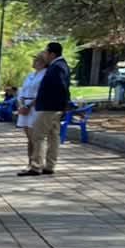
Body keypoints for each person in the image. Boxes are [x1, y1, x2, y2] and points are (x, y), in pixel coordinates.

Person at [28, 41, 72, 175]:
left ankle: (36, 166)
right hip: (55, 107)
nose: (45, 55)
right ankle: (49, 165)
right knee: (53, 136)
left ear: (52, 54)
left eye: (46, 53)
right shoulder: (59, 65)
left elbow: (61, 87)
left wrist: (62, 105)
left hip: (49, 107)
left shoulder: (57, 67)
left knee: (38, 136)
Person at [15, 52, 47, 175]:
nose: (34, 62)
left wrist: (29, 106)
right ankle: (30, 162)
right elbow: (22, 91)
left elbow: (41, 93)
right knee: (29, 138)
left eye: (36, 59)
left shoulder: (45, 75)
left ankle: (37, 163)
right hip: (25, 107)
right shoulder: (30, 75)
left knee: (36, 137)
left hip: (35, 107)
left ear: (42, 62)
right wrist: (21, 105)